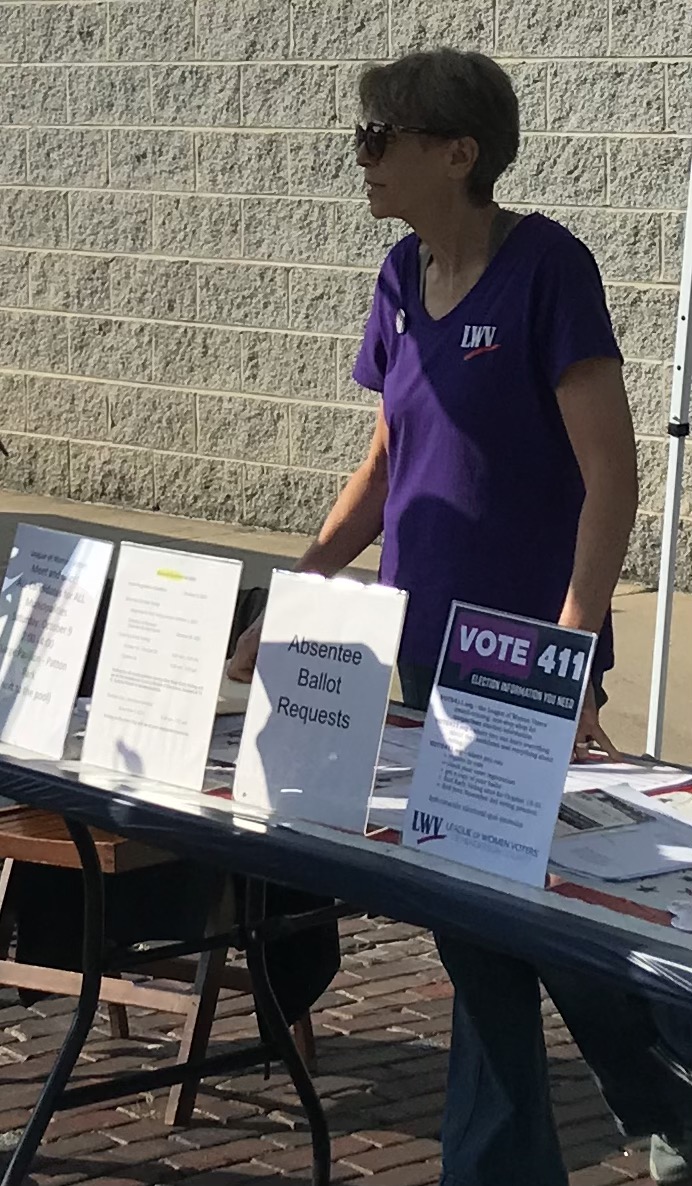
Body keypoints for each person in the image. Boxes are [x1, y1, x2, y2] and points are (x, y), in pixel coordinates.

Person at [229, 48, 692, 1186]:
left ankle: (514, 1159)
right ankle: (655, 1097)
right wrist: (301, 586)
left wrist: (573, 645)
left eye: (377, 138)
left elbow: (609, 478)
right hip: (424, 645)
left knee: (511, 922)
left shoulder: (546, 270)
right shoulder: (398, 276)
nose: (361, 160)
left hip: (524, 655)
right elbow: (387, 458)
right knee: (490, 916)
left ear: (457, 150)